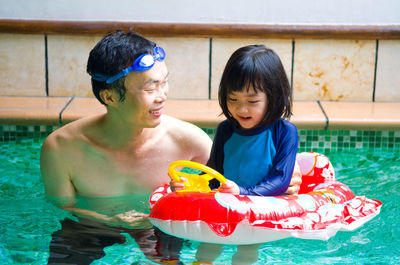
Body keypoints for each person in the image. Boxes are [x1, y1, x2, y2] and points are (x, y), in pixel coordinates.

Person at [40, 30, 213, 264]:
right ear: (109, 97)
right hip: (93, 226)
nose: (162, 96)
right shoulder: (62, 148)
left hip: (163, 225)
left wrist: (181, 202)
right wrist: (110, 220)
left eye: (164, 83)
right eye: (150, 89)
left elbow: (224, 199)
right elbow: (62, 206)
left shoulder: (190, 142)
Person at [171, 44, 300, 264]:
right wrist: (188, 185)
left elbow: (280, 179)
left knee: (246, 251)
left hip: (260, 208)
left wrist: (242, 191)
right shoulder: (225, 129)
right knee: (208, 245)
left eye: (252, 101)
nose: (241, 109)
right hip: (225, 203)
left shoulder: (284, 132)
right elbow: (213, 172)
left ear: (274, 97)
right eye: (233, 100)